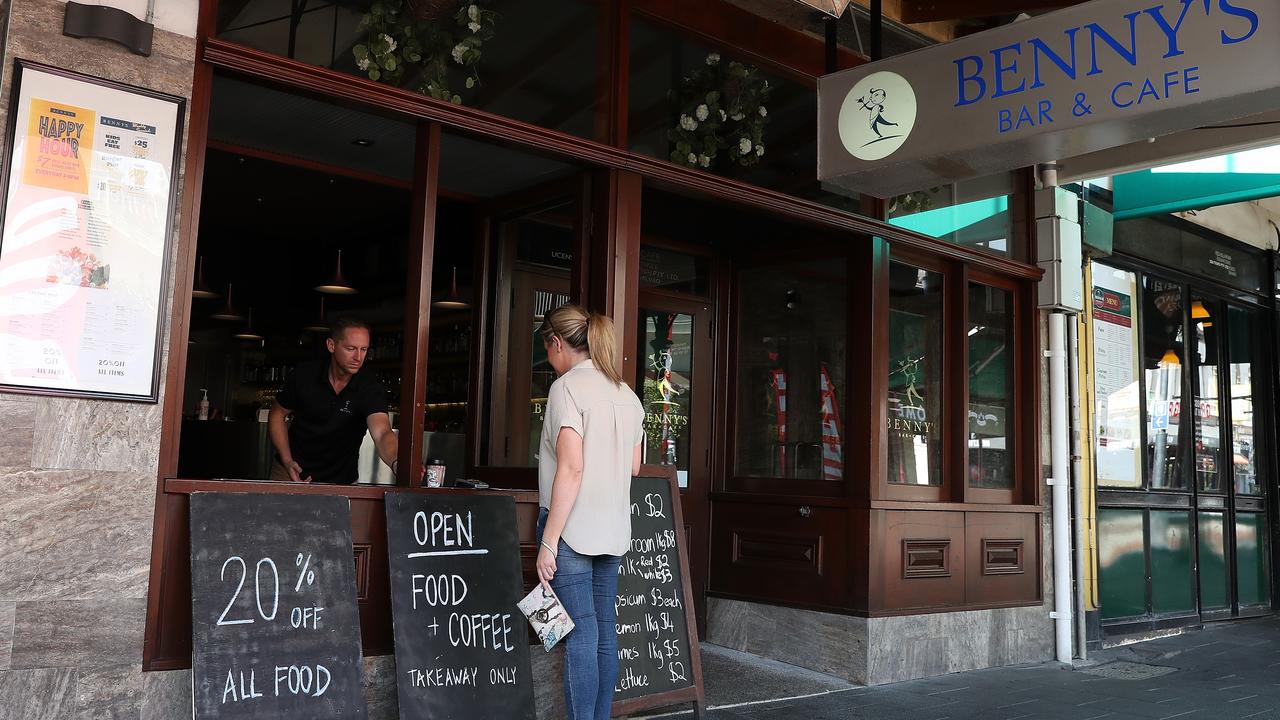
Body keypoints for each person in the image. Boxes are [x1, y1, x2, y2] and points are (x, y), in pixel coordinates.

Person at [534, 304, 644, 720]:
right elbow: (633, 466)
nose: (548, 360)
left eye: (547, 350)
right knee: (603, 632)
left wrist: (549, 541)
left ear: (558, 343)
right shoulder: (627, 394)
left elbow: (571, 467)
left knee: (579, 634)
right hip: (614, 528)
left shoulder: (566, 389)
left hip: (572, 530)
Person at [268, 317, 399, 484]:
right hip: (291, 471)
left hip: (341, 479)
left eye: (364, 349)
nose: (358, 357)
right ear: (331, 345)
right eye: (351, 348)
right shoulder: (304, 375)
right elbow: (277, 414)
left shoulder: (369, 386)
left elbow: (382, 433)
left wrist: (396, 462)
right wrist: (287, 461)